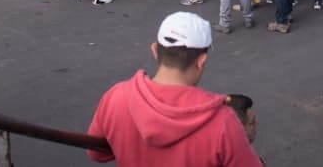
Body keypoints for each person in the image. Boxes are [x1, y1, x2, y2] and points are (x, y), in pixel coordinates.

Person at [86, 12, 262, 166]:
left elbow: (97, 153)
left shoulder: (116, 97)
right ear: (202, 61)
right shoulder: (222, 121)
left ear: (155, 50)